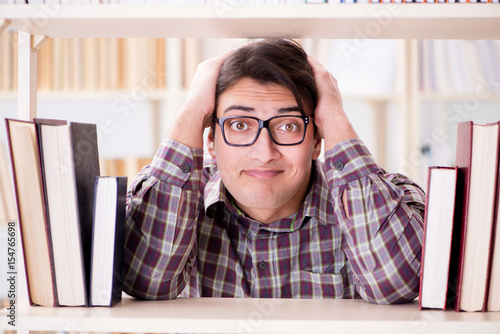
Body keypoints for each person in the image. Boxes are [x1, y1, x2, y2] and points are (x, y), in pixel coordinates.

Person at [123, 38, 425, 304]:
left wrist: (335, 116)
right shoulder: (172, 199)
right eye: (240, 125)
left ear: (318, 140)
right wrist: (189, 113)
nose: (265, 153)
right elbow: (146, 281)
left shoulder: (392, 201)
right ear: (211, 142)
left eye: (289, 125)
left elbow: (395, 285)